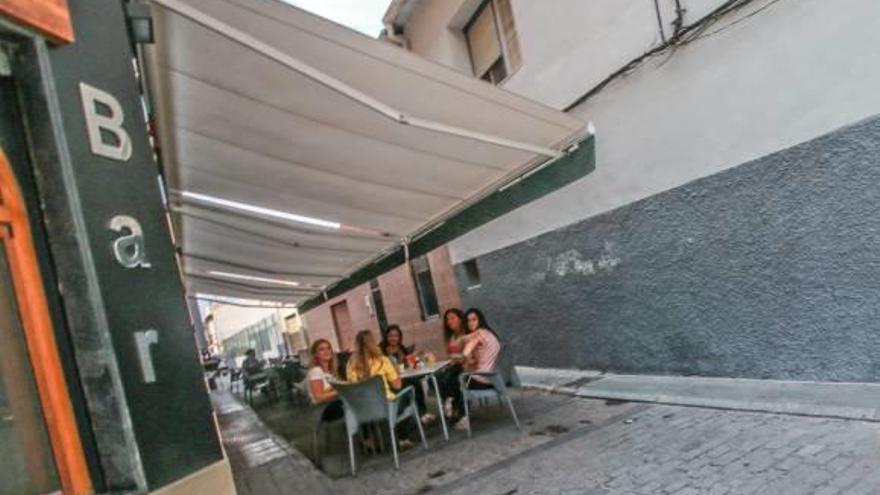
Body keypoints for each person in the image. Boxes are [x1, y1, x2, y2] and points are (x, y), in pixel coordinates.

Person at [448, 308, 503, 430]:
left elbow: (465, 354)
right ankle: (455, 408)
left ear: (480, 320)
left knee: (456, 377)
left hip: (484, 380)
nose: (471, 323)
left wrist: (463, 359)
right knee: (460, 377)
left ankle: (458, 412)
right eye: (468, 321)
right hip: (496, 379)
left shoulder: (478, 335)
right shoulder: (489, 333)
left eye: (474, 320)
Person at [380, 325, 434, 423]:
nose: (393, 338)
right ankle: (422, 413)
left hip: (403, 376)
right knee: (415, 383)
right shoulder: (382, 350)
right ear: (386, 337)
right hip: (391, 381)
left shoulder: (401, 347)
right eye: (390, 336)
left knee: (416, 382)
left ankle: (423, 412)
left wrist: (414, 357)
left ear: (400, 337)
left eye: (396, 336)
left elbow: (407, 362)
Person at [306, 339, 344, 421]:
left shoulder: (331, 372)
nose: (326, 351)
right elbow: (318, 397)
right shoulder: (316, 371)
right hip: (323, 410)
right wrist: (341, 390)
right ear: (315, 354)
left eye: (328, 348)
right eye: (321, 349)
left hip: (334, 406)